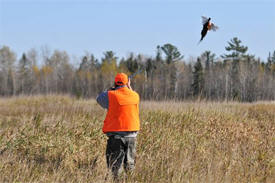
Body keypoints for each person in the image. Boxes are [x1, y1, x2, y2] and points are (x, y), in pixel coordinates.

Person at [96, 73, 140, 180]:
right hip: (132, 136)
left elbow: (99, 98)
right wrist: (129, 88)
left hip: (116, 138)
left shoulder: (111, 94)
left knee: (116, 166)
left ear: (115, 83)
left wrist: (112, 88)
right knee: (130, 165)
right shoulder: (135, 95)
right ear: (127, 83)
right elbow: (130, 94)